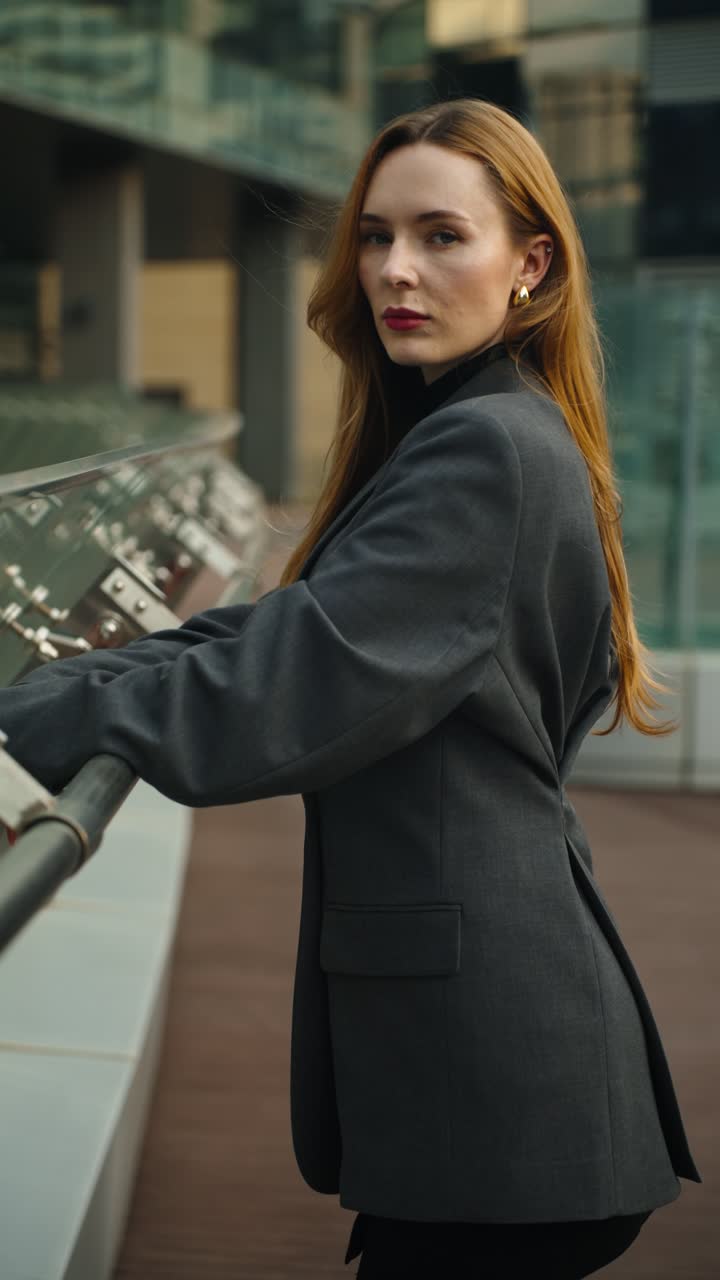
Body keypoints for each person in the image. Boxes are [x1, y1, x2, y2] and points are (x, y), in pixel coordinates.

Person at [0, 98, 701, 1278]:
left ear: (532, 264)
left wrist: (18, 711)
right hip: (483, 1060)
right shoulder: (474, 428)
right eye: (375, 236)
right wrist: (72, 673)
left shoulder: (487, 451)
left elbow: (271, 692)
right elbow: (276, 629)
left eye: (440, 235)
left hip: (498, 1073)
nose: (394, 270)